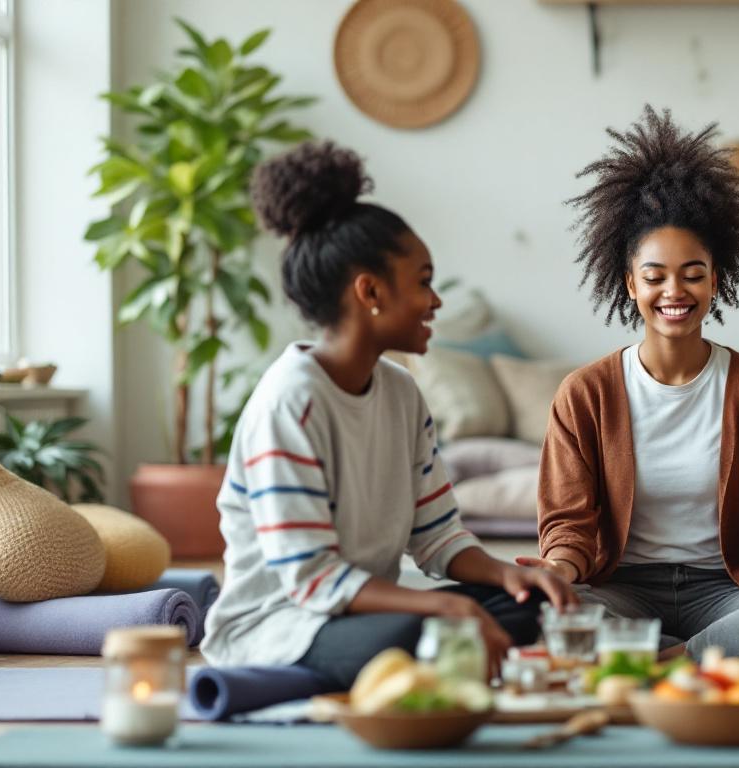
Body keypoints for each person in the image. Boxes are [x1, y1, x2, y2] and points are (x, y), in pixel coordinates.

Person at [201, 142, 574, 689]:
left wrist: (508, 577)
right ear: (370, 291)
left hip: (362, 611)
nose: (435, 301)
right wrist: (446, 612)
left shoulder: (401, 393)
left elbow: (437, 538)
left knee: (533, 606)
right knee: (423, 636)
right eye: (423, 281)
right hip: (282, 625)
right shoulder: (290, 403)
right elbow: (311, 578)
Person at [518, 106, 739, 659]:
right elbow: (571, 524)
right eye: (655, 277)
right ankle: (699, 657)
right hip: (622, 586)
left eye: (693, 274)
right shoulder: (585, 394)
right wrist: (557, 570)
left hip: (725, 589)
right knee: (545, 609)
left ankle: (658, 659)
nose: (674, 292)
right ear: (630, 285)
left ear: (716, 280)